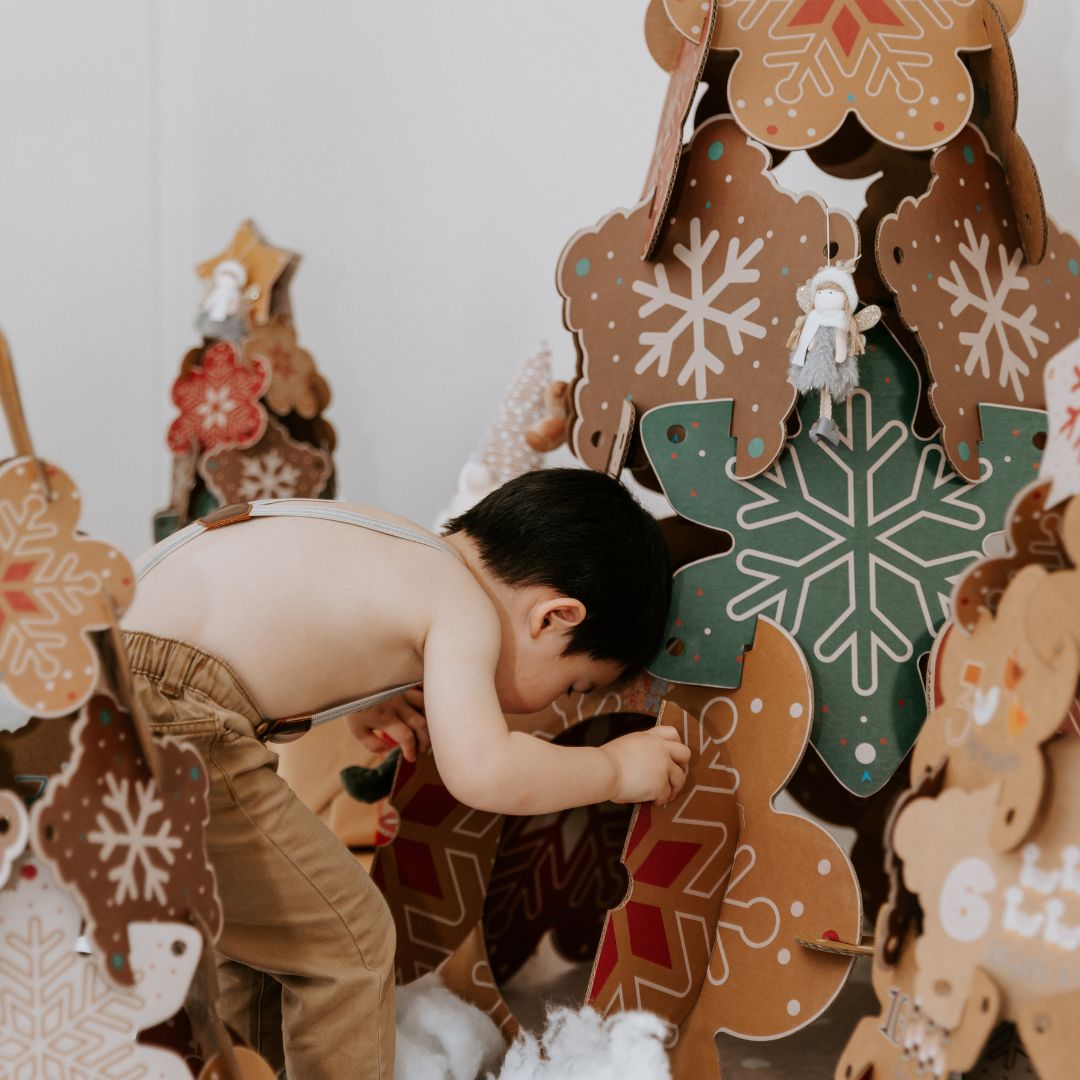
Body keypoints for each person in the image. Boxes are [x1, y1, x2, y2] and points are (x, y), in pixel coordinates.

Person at [121, 467, 685, 1080]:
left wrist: (362, 699)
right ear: (553, 618)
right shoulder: (464, 610)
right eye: (573, 685)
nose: (556, 703)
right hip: (173, 714)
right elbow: (484, 771)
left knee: (271, 930)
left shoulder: (402, 545)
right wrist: (613, 768)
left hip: (107, 676)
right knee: (351, 942)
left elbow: (283, 616)